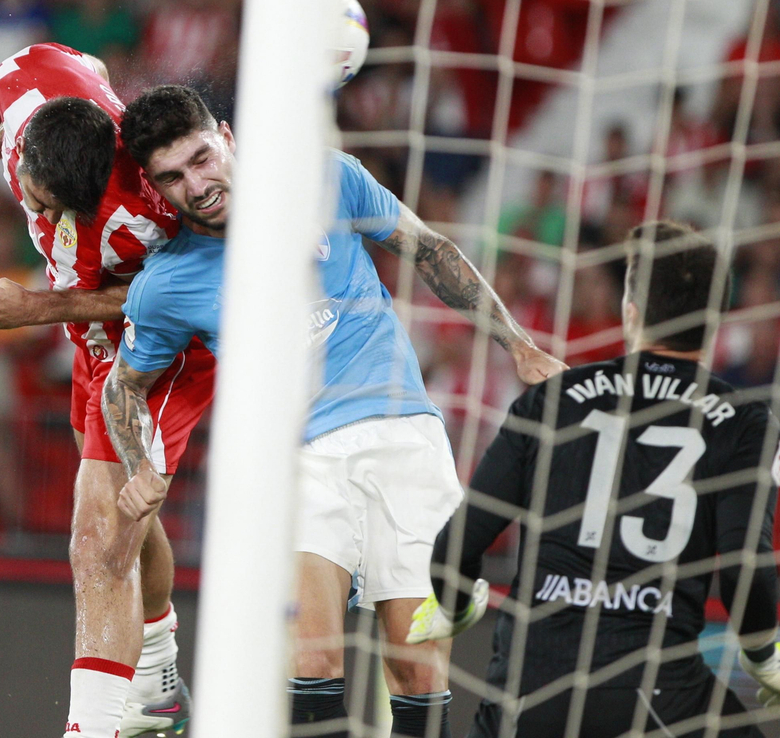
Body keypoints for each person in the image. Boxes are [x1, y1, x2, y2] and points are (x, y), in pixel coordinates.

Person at [109, 85, 564, 738]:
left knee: (416, 673)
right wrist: (140, 465)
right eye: (173, 177)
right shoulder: (169, 282)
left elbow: (430, 250)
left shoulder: (327, 178)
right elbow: (121, 387)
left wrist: (518, 346)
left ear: (228, 137)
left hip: (403, 434)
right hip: (299, 463)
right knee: (316, 659)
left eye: (202, 159)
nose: (196, 185)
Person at [409, 220, 780, 737]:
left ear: (631, 310)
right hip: (656, 693)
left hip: (529, 690)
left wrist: (455, 604)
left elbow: (458, 543)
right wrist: (761, 656)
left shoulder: (553, 396)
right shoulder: (745, 422)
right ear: (717, 320)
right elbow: (743, 565)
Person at [0, 43, 208, 736]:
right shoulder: (27, 82)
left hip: (159, 349)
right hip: (89, 345)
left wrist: (36, 309)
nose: (52, 224)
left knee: (94, 537)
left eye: (68, 214)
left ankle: (94, 726)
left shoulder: (161, 209)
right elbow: (97, 76)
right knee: (124, 524)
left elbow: (169, 296)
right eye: (42, 204)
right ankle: (160, 679)